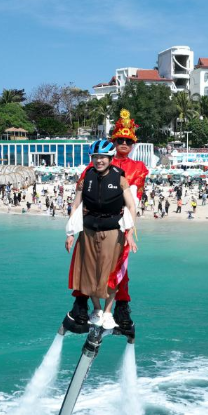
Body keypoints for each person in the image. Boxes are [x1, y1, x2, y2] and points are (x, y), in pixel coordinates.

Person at [63, 139, 139, 333]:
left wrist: (130, 232)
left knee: (110, 273)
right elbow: (76, 206)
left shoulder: (120, 179)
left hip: (112, 231)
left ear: (110, 158)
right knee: (88, 272)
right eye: (96, 157)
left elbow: (131, 206)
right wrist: (70, 233)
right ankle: (96, 309)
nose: (99, 161)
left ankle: (108, 312)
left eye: (103, 157)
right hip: (88, 230)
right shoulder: (85, 178)